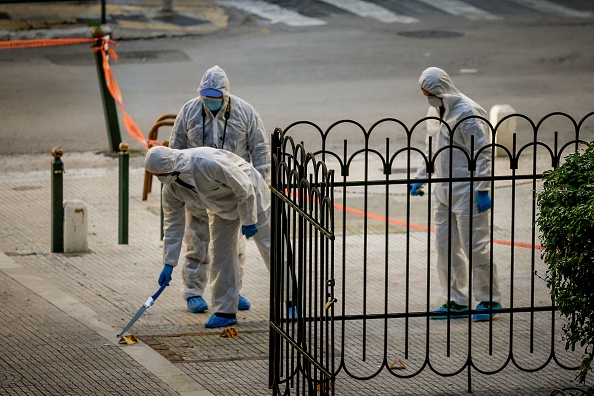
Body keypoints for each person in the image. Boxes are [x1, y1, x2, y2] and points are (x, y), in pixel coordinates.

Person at [168, 65, 270, 314]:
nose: (210, 102)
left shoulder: (245, 112)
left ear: (225, 96)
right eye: (206, 97)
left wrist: (263, 183)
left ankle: (231, 294)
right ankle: (193, 290)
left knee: (232, 246)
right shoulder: (190, 112)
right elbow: (175, 148)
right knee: (197, 239)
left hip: (233, 191)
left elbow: (260, 149)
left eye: (215, 98)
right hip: (198, 190)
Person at [409, 67, 502, 322]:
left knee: (475, 246)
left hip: (468, 190)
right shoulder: (434, 111)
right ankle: (456, 300)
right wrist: (421, 177)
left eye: (429, 93)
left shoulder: (468, 113)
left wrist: (483, 189)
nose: (427, 97)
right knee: (445, 247)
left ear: (440, 89)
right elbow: (432, 147)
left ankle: (488, 298)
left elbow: (483, 153)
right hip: (443, 187)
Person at [145, 146, 271, 328]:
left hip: (252, 195)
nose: (159, 179)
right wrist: (168, 263)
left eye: (160, 174)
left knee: (270, 247)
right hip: (222, 208)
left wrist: (249, 220)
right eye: (156, 176)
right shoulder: (171, 188)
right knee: (221, 255)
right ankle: (225, 311)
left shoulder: (205, 161)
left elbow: (243, 186)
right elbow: (173, 225)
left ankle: (292, 300)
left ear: (170, 167)